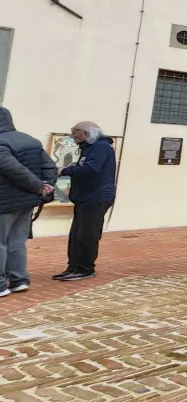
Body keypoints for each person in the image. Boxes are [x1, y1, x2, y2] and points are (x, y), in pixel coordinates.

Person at [0, 108, 56, 295]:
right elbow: (49, 165)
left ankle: (1, 284)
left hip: (4, 202)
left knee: (1, 242)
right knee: (17, 241)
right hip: (26, 201)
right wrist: (46, 185)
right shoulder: (31, 140)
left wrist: (38, 185)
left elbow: (13, 169)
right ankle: (18, 279)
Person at [56, 121, 117, 282]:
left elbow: (91, 169)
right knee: (76, 234)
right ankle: (74, 267)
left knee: (87, 235)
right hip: (85, 197)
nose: (72, 135)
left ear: (87, 133)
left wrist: (65, 171)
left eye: (75, 131)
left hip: (96, 198)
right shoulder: (88, 148)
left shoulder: (101, 147)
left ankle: (85, 269)